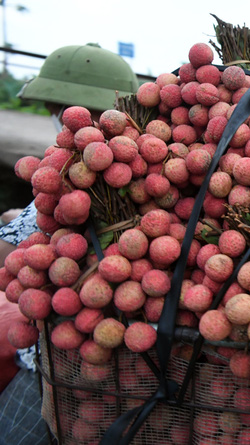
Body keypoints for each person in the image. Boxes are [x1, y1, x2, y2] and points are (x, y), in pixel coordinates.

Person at [0, 42, 139, 444]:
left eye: (53, 109)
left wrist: (10, 227)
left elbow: (9, 260)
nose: (52, 120)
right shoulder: (127, 166)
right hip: (128, 368)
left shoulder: (71, 180)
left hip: (59, 371)